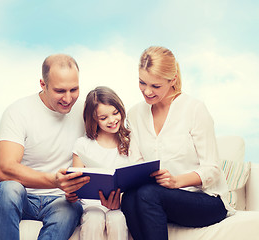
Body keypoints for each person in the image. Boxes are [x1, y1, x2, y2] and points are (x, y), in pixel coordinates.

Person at [121, 46, 232, 240]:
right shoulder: (135, 114)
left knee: (147, 194)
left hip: (205, 200)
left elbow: (212, 169)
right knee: (130, 198)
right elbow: (136, 163)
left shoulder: (194, 109)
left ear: (172, 80)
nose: (147, 91)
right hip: (158, 197)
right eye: (142, 83)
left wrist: (176, 181)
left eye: (155, 86)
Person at [0, 54, 90, 240]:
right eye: (60, 91)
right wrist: (54, 180)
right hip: (23, 197)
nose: (68, 98)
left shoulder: (86, 112)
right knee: (8, 189)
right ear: (43, 84)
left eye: (74, 89)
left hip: (62, 200)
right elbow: (5, 170)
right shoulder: (18, 111)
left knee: (71, 208)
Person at [67, 86, 130, 240]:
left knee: (117, 219)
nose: (112, 120)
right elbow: (75, 182)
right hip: (91, 206)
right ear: (93, 119)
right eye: (103, 118)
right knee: (94, 218)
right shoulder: (83, 144)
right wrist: (70, 194)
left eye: (115, 113)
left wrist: (120, 200)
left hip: (119, 206)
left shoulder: (129, 142)